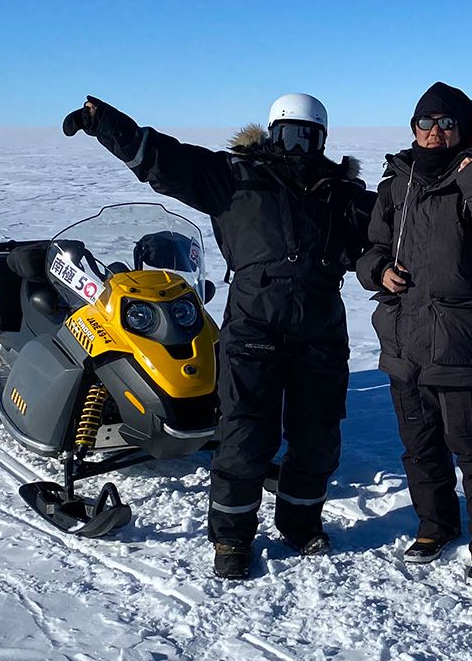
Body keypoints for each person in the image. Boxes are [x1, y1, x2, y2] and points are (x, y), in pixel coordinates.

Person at [64, 92, 374, 580]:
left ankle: (300, 522)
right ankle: (231, 538)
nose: (298, 148)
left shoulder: (342, 193)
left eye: (308, 137)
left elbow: (395, 233)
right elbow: (160, 158)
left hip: (321, 331)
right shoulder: (232, 177)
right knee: (244, 435)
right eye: (289, 135)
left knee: (318, 434)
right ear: (271, 134)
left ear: (322, 140)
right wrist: (107, 124)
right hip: (255, 326)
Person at [355, 82, 472, 588]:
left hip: (460, 341)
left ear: (465, 129)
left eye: (446, 124)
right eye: (425, 123)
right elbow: (368, 249)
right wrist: (378, 269)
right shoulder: (395, 184)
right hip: (404, 339)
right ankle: (435, 525)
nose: (434, 133)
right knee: (420, 446)